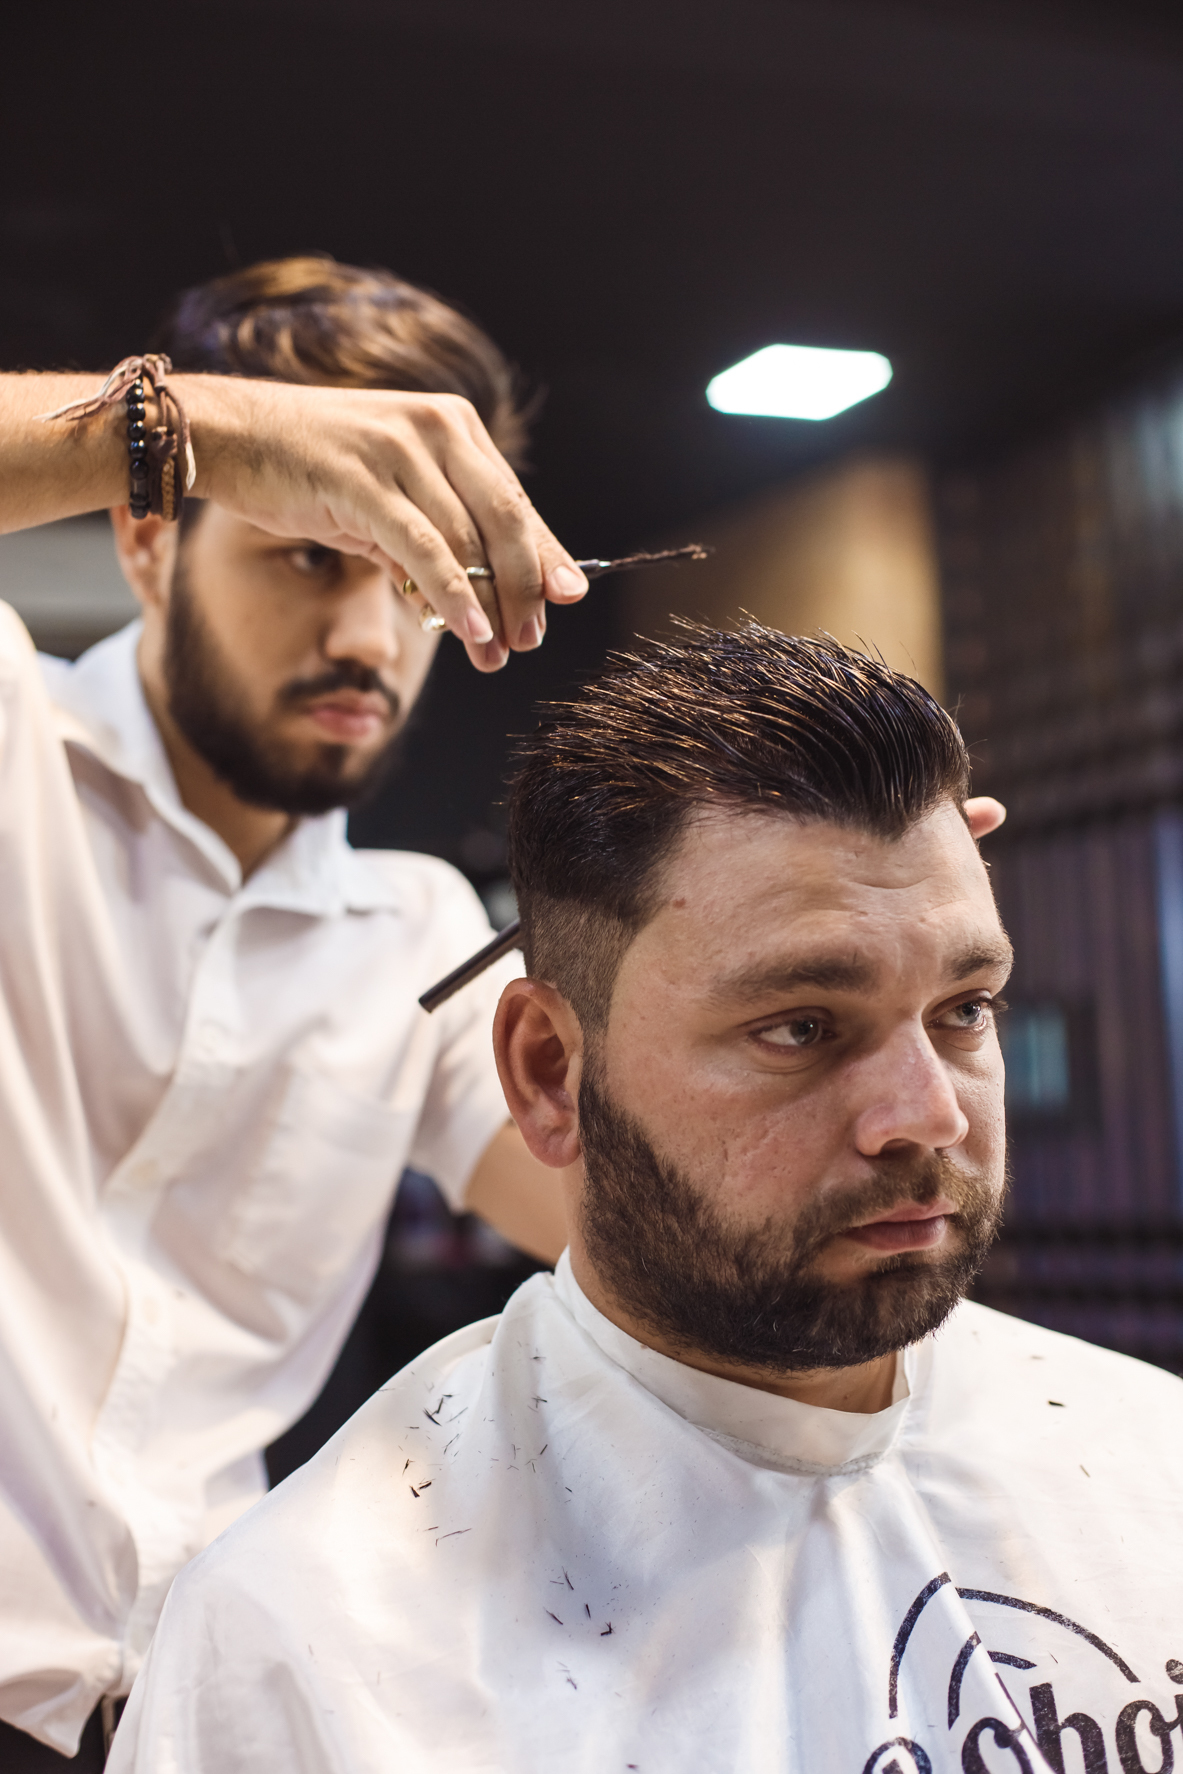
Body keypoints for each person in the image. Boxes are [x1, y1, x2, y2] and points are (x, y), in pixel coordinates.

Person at [109, 625, 1183, 1774]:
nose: (926, 1114)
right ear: (547, 1073)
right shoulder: (308, 1639)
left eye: (962, 1007)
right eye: (801, 1025)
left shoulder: (1149, 1461)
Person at [0, 255, 592, 1765]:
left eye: (409, 578)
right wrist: (177, 428)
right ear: (149, 542)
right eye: (311, 553)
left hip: (198, 1718)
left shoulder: (416, 937)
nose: (369, 642)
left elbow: (636, 1211)